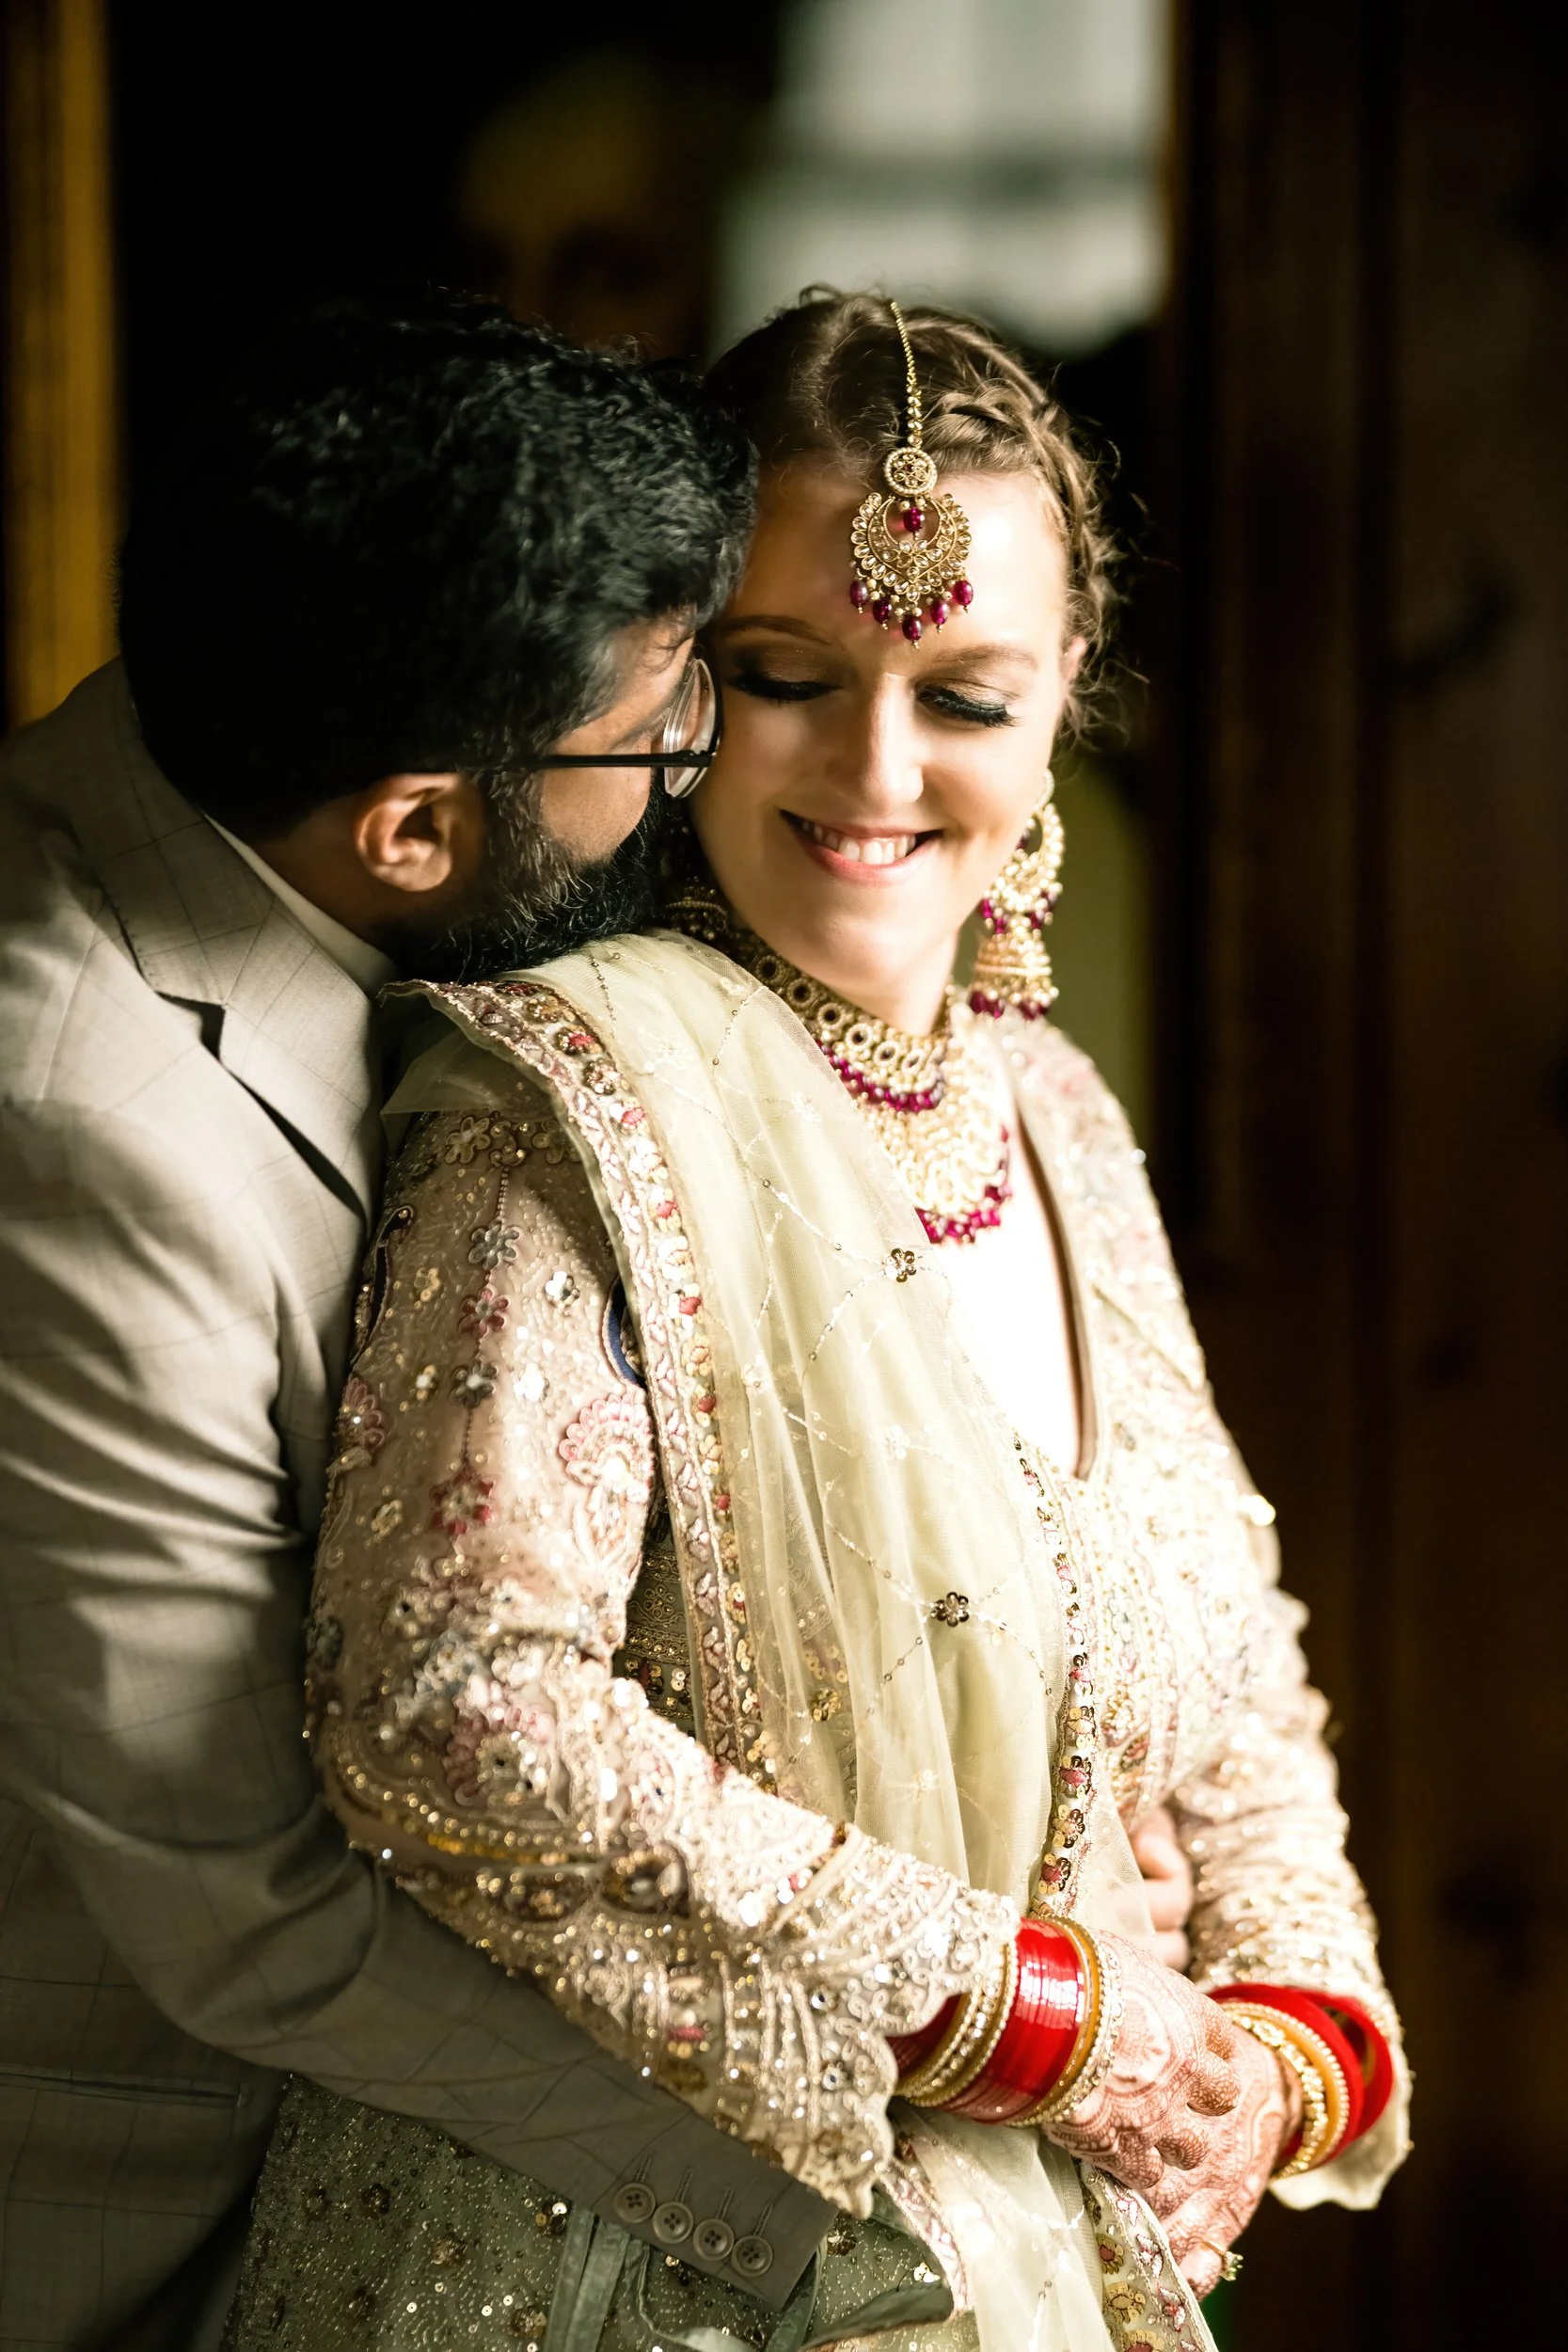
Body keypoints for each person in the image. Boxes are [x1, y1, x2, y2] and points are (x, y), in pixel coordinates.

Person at [224, 295, 1407, 2351]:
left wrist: (1276, 2048)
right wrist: (1045, 2022)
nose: (874, 770)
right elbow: (454, 1706)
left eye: (963, 693)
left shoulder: (1044, 1110)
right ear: (679, 685)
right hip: (615, 2258)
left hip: (1032, 2252)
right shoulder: (568, 1105)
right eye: (786, 677)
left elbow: (1223, 1641)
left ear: (1060, 711)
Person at [0, 293, 863, 2352]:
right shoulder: (86, 1129)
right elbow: (244, 1916)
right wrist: (814, 2196)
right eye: (658, 735)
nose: (692, 776)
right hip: (131, 2213)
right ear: (405, 828)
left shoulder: (243, 732)